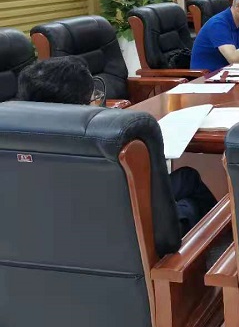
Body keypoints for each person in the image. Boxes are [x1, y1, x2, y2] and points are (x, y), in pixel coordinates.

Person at [17, 56, 218, 237]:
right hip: (132, 237)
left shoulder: (17, 142)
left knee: (187, 178)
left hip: (57, 232)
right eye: (93, 96)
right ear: (80, 105)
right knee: (192, 203)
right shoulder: (106, 142)